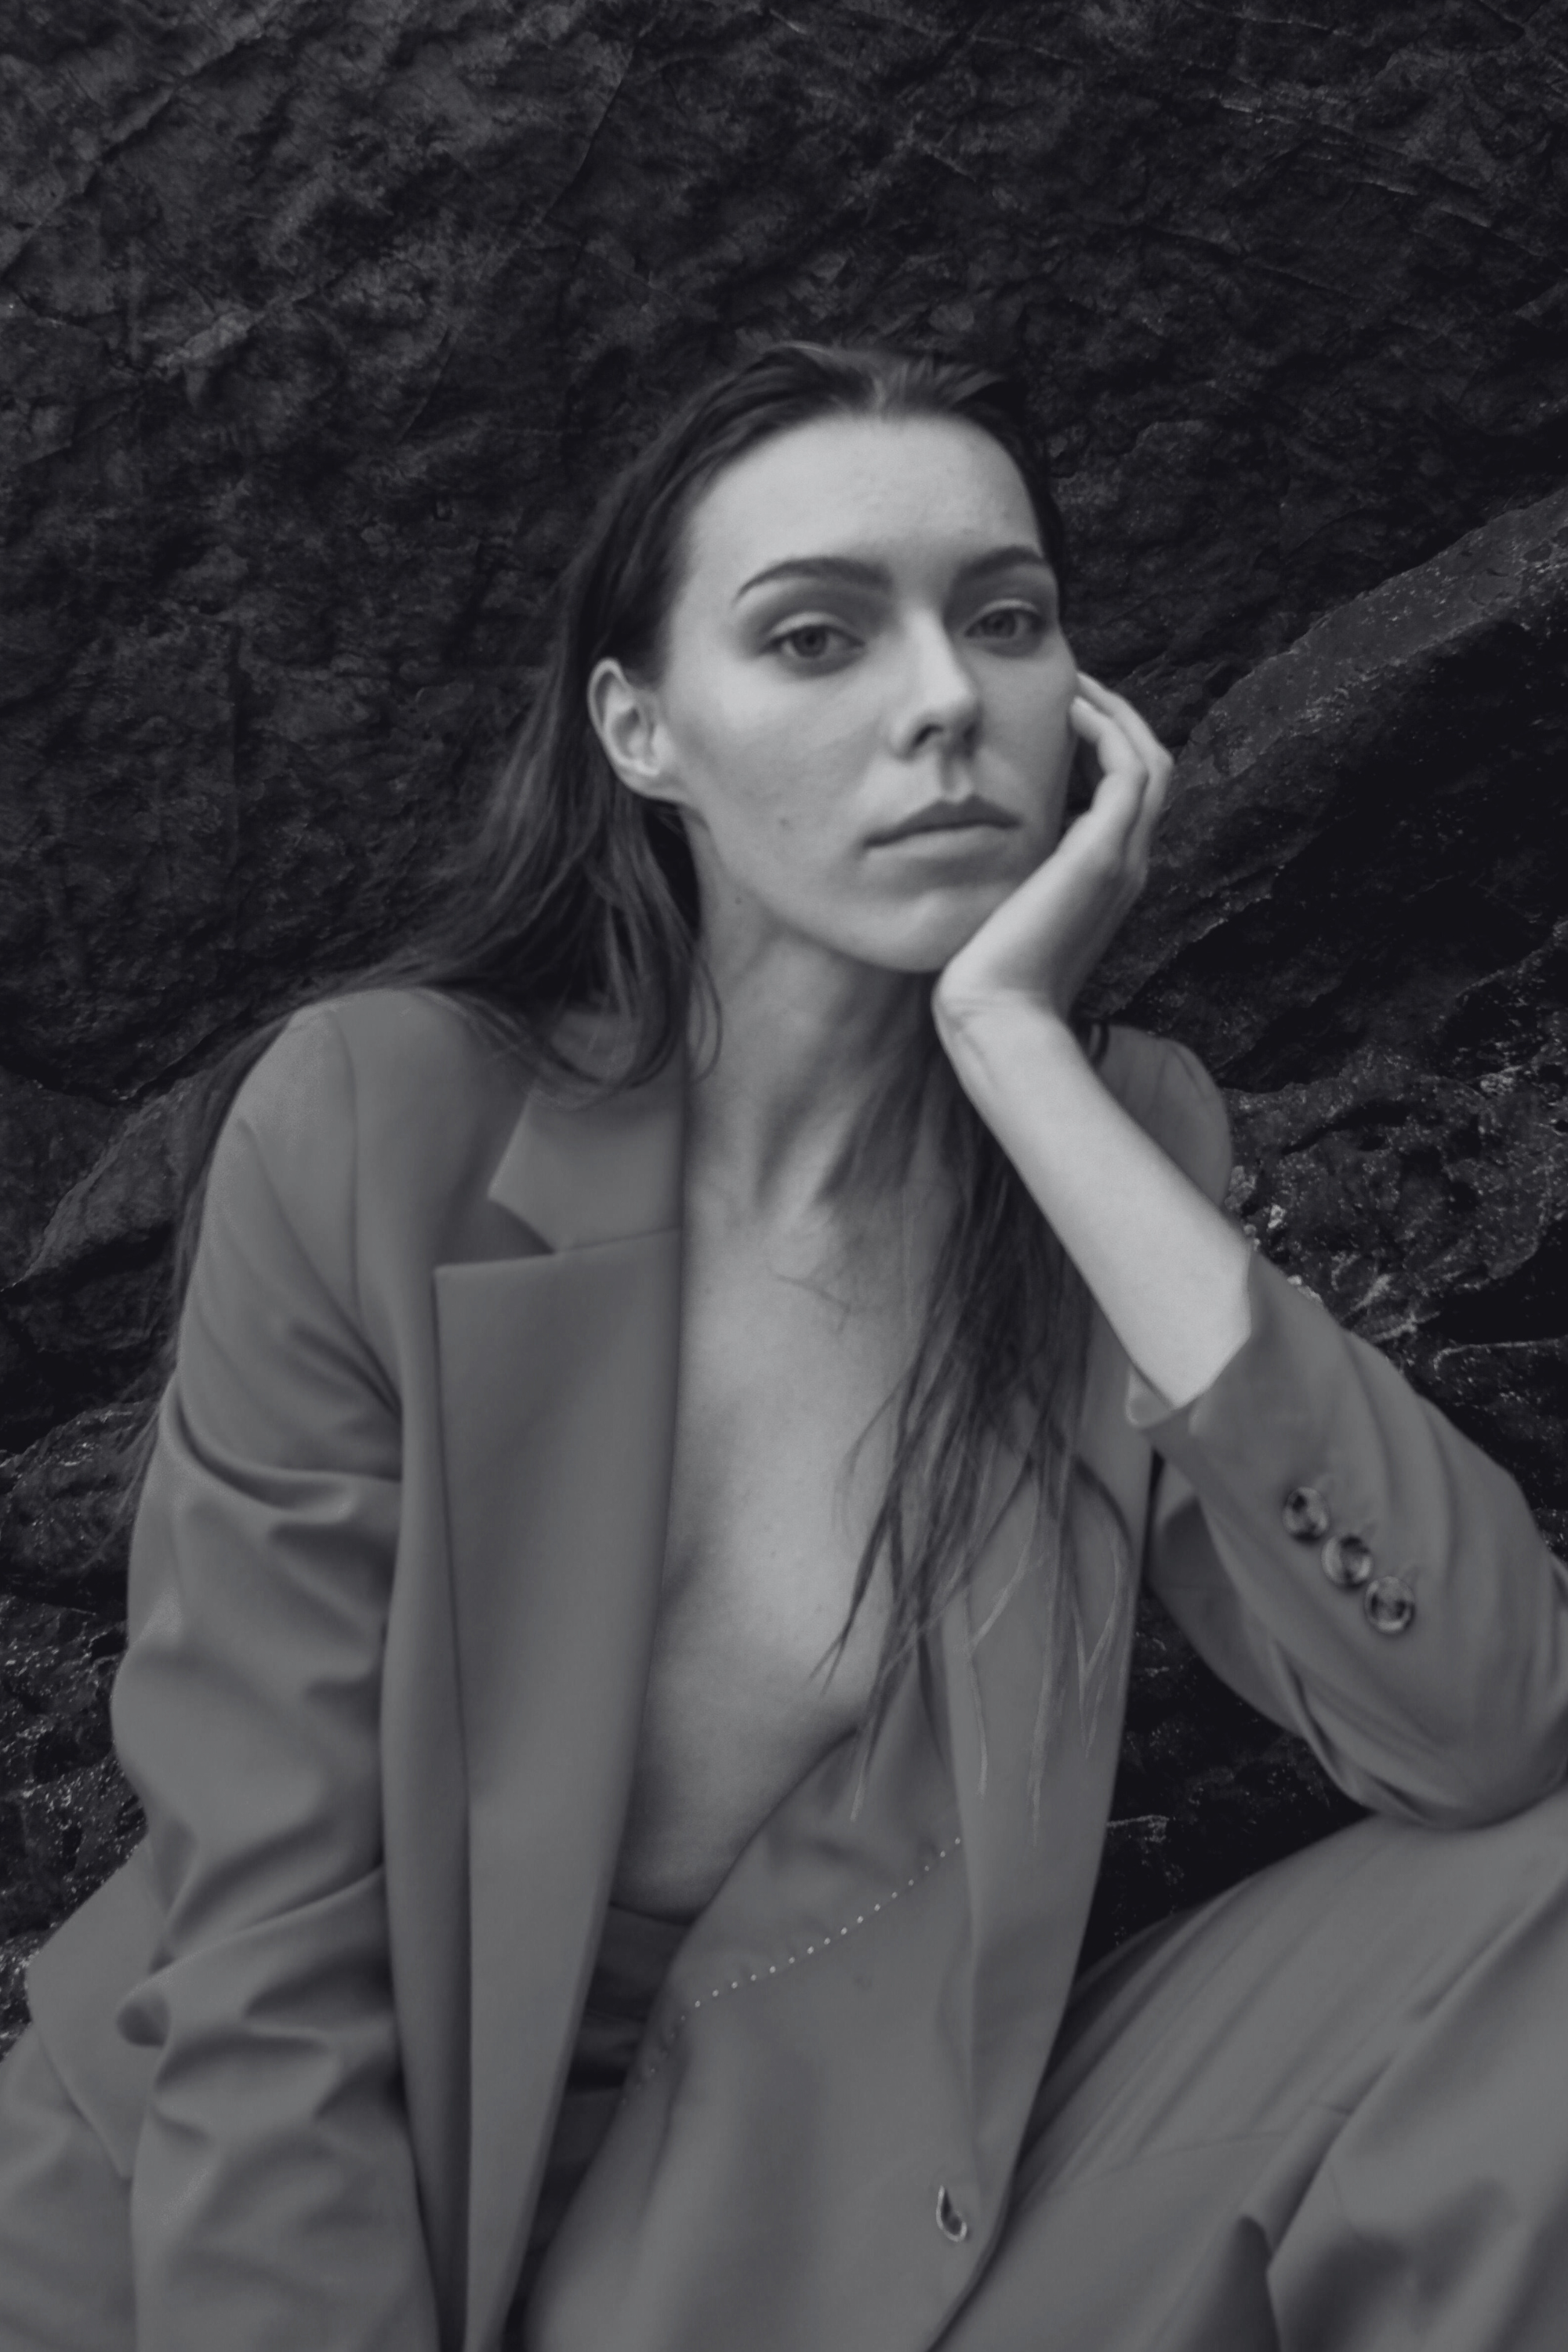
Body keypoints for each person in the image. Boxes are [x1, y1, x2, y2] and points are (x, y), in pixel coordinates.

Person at [1, 338, 1566, 2352]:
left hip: (805, 2207)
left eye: (1003, 622)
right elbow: (274, 1927)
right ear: (642, 733)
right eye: (817, 638)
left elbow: (1487, 1716)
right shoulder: (386, 1121)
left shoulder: (1111, 1154)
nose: (942, 702)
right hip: (239, 2218)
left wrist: (1025, 1063)